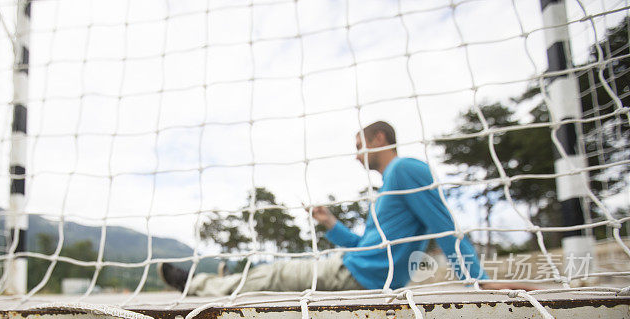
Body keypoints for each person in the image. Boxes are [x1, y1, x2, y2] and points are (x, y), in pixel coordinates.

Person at [158, 120, 490, 296]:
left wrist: (476, 280)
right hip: (356, 265)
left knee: (274, 273)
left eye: (360, 146)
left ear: (378, 138)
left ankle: (194, 285)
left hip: (360, 275)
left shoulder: (405, 169)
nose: (357, 155)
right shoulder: (388, 186)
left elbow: (444, 226)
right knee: (275, 270)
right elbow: (365, 245)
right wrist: (331, 223)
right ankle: (208, 280)